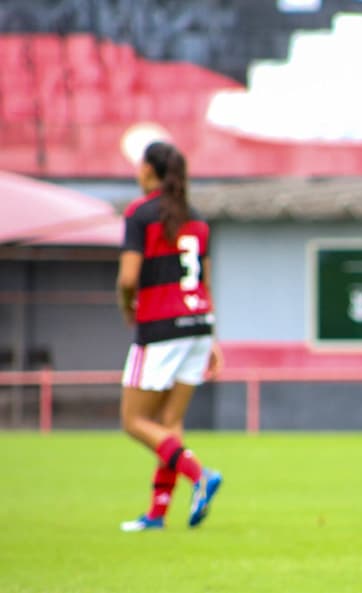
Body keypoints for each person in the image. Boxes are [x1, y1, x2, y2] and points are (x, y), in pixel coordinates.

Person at [117, 141, 223, 532]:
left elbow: (129, 278)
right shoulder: (196, 218)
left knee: (134, 421)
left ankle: (200, 475)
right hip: (198, 323)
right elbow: (206, 281)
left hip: (161, 327)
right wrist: (212, 338)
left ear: (148, 171)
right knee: (169, 421)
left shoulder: (139, 215)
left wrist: (127, 304)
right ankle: (157, 515)